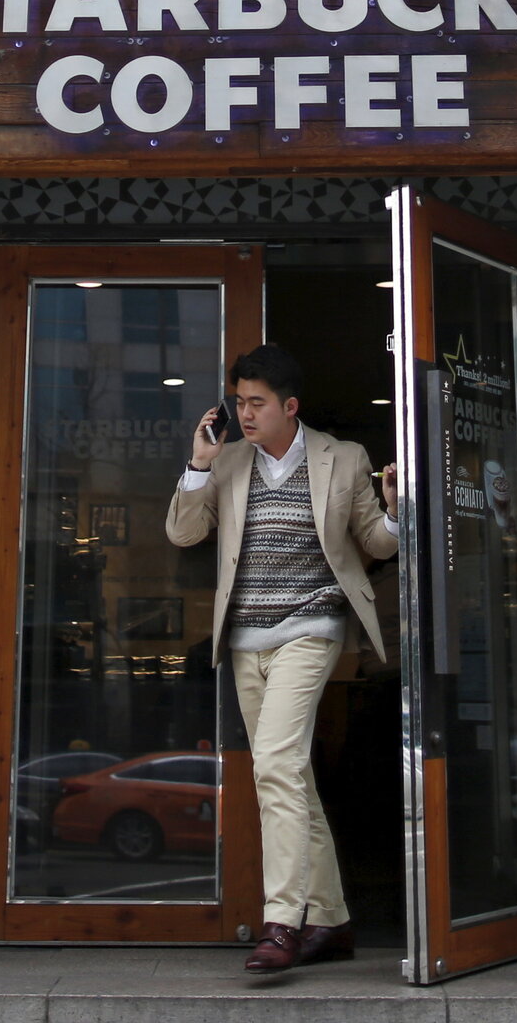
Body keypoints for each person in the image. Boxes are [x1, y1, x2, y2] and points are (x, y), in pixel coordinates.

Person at [167, 343, 398, 974]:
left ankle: (282, 922)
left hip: (311, 628)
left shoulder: (342, 457)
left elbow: (374, 540)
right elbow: (184, 534)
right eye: (238, 402)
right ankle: (332, 920)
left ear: (289, 406)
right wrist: (197, 464)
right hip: (246, 641)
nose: (243, 413)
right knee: (290, 776)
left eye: (256, 403)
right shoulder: (229, 461)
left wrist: (398, 510)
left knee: (272, 763)